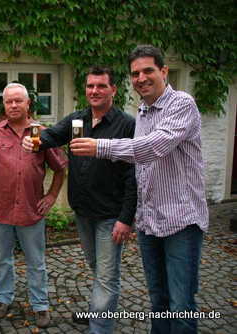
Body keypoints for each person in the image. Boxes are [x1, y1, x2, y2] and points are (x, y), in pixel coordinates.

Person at [70, 45, 208, 334]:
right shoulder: (143, 111)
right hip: (149, 222)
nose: (141, 78)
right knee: (158, 301)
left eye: (148, 70)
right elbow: (139, 169)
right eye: (136, 73)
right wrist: (132, 215)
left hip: (181, 221)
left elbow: (152, 147)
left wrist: (100, 147)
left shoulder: (182, 104)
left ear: (164, 71)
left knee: (180, 305)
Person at [22, 67, 137, 333]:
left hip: (111, 214)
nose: (94, 91)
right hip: (83, 211)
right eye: (90, 86)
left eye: (101, 86)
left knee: (107, 276)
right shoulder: (78, 119)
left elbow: (134, 175)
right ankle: (99, 312)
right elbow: (53, 135)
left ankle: (99, 327)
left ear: (113, 90)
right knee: (98, 268)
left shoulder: (127, 124)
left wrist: (126, 218)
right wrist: (35, 141)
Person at [0, 83, 66, 328]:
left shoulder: (42, 133)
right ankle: (3, 298)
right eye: (9, 101)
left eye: (18, 101)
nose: (13, 105)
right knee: (3, 259)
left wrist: (52, 196)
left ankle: (40, 304)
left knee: (36, 262)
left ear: (27, 103)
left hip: (31, 210)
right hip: (1, 209)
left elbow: (61, 168)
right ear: (4, 104)